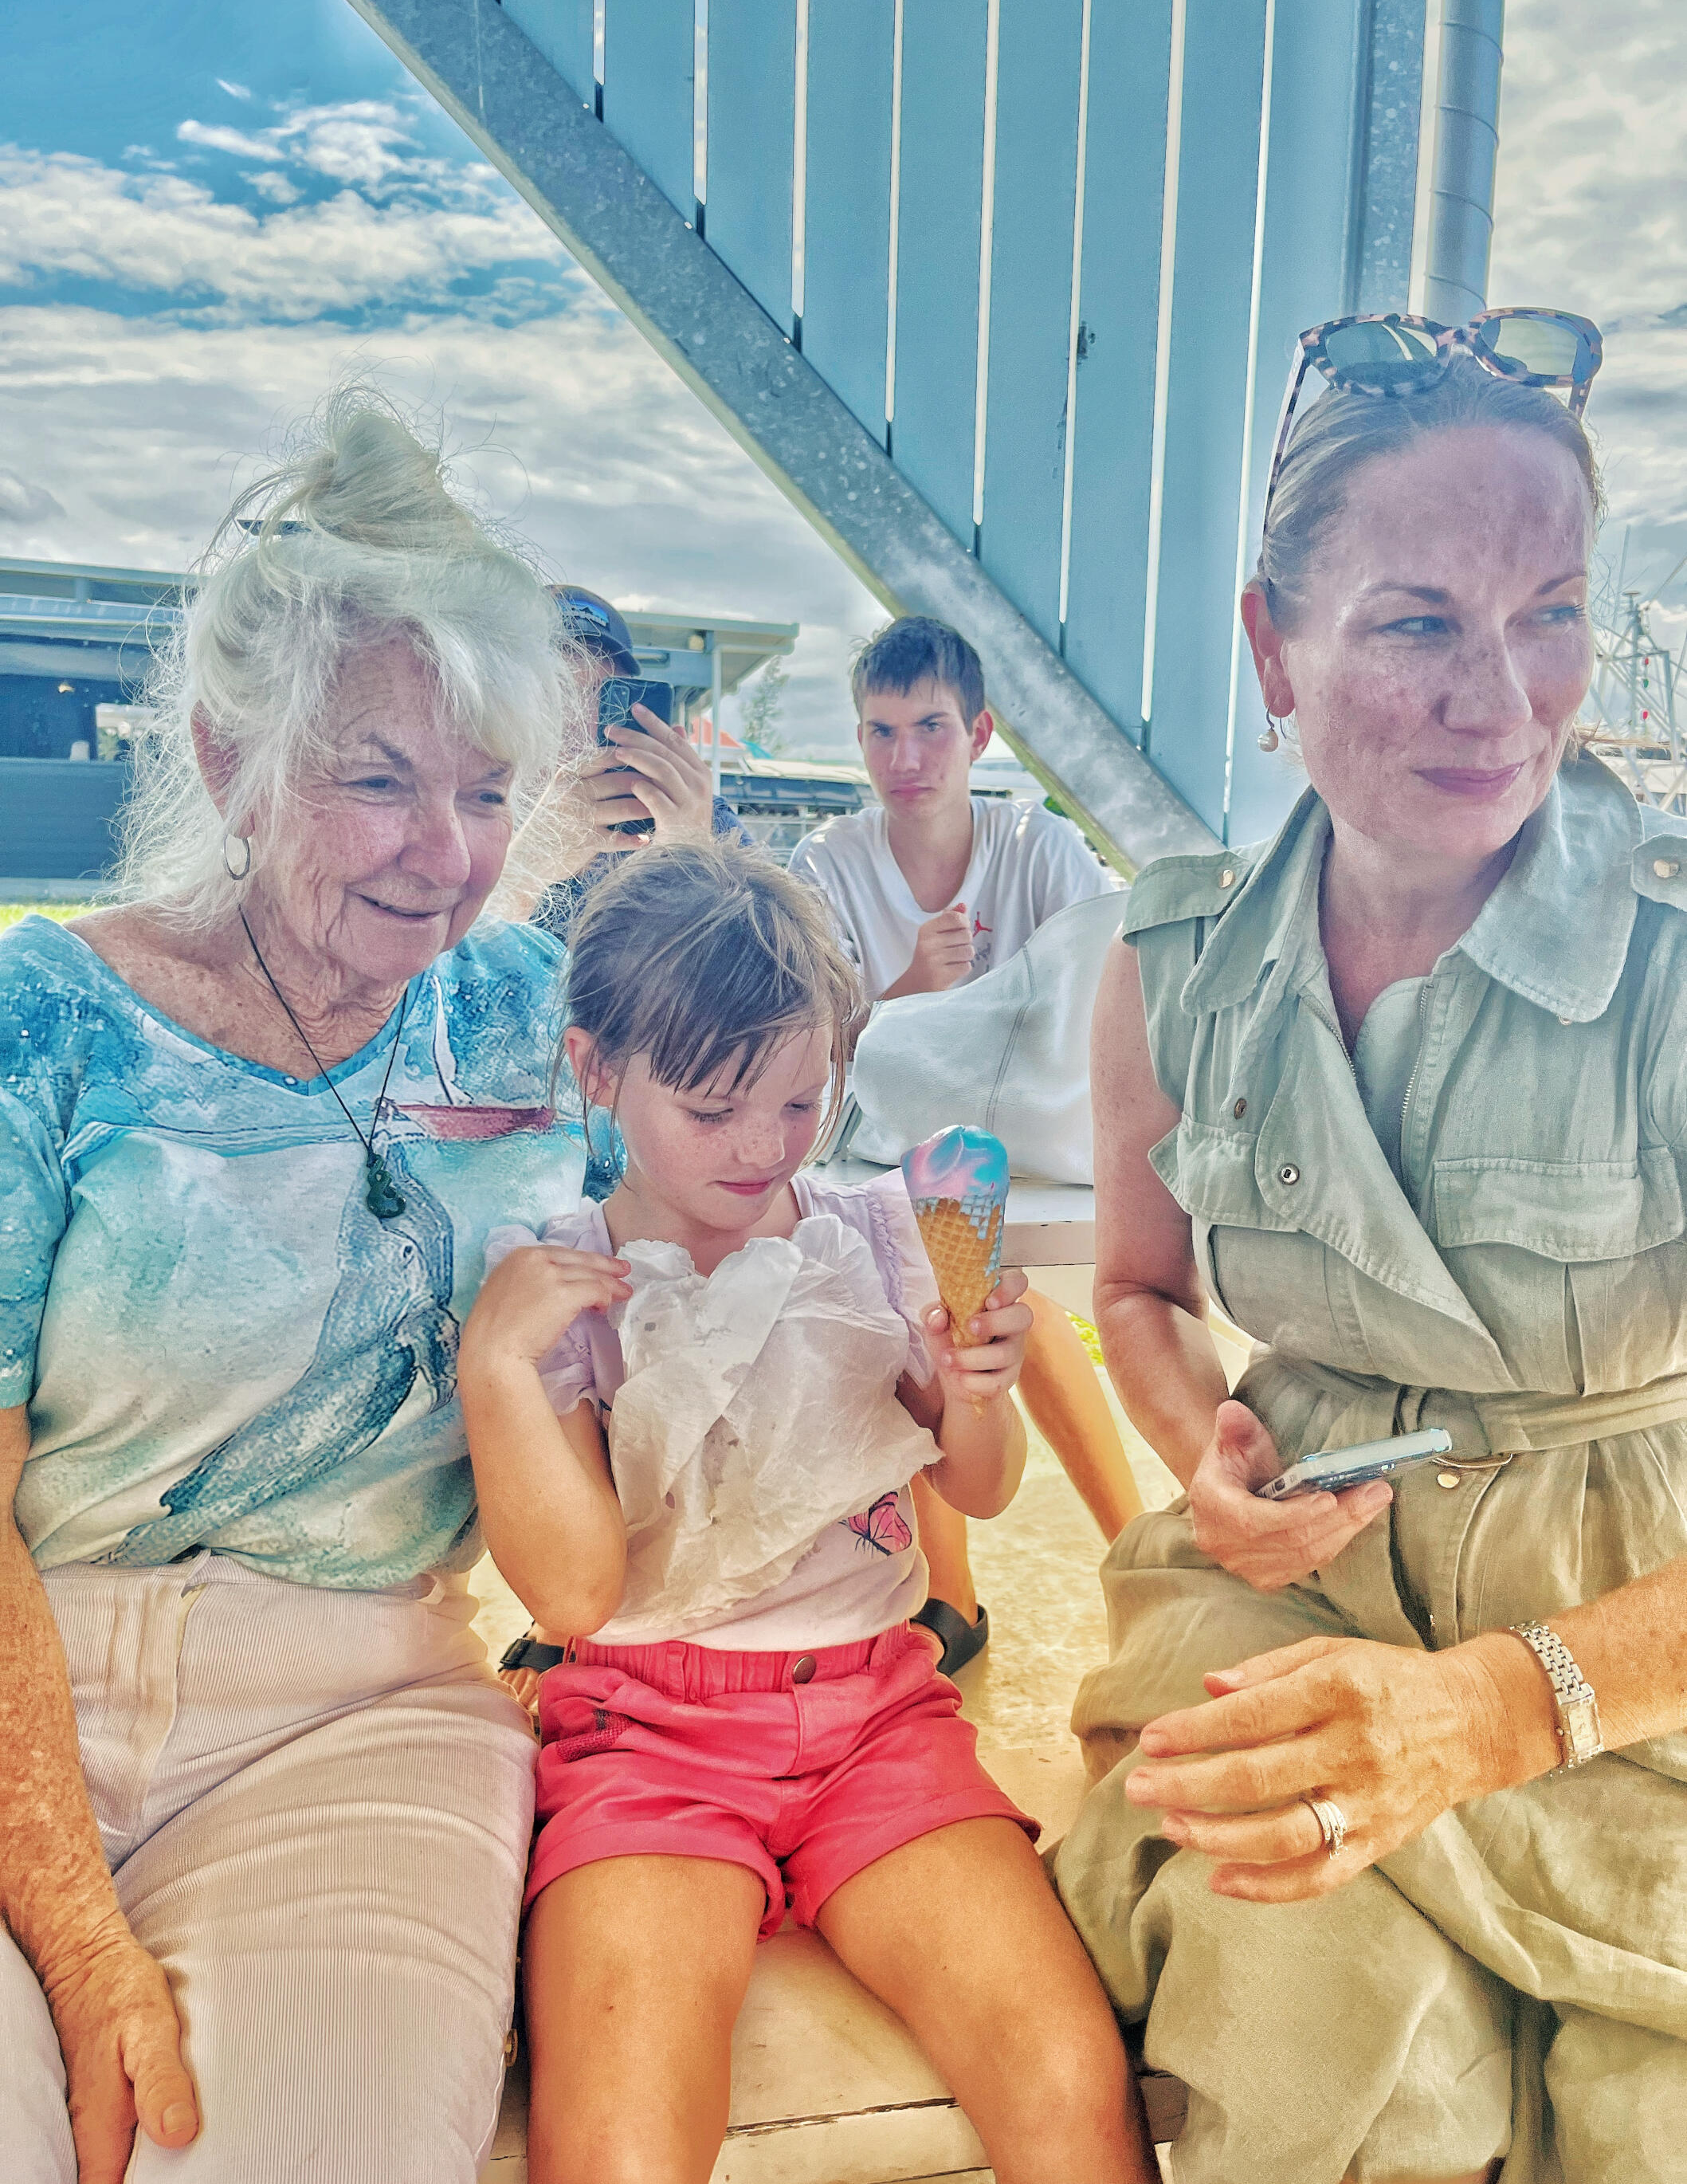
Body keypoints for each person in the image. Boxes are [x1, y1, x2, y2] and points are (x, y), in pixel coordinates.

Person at [1053, 327, 1687, 2180]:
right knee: (1299, 2055)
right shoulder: (1175, 967)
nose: (1499, 701)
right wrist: (1206, 1450)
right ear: (1271, 649)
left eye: (1546, 616)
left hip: (1634, 1680)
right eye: (1416, 622)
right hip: (1291, 1624)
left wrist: (1495, 1705)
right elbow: (1136, 1293)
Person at [0, 398, 594, 2182]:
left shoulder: (532, 1016)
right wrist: (72, 1924)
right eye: (380, 780)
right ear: (226, 753)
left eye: (486, 792)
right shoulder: (51, 1019)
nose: (448, 853)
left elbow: (758, 1183)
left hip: (362, 1712)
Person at [459, 841, 1148, 2184]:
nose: (763, 1148)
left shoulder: (881, 1232)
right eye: (712, 1108)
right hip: (643, 1738)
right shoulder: (562, 1281)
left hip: (879, 1717)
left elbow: (977, 1487)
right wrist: (498, 1372)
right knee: (615, 2144)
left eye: (798, 1099)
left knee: (1070, 2076)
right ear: (595, 1069)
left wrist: (975, 1390)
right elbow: (574, 1595)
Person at [790, 615, 1141, 1671]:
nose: (905, 756)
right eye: (881, 730)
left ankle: (1121, 1558)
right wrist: (907, 987)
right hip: (888, 1150)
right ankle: (960, 1587)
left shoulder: (1040, 847)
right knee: (934, 1298)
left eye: (930, 727)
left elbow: (1107, 997)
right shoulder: (827, 862)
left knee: (988, 1295)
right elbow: (806, 1038)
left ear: (978, 732)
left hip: (1030, 1150)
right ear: (859, 738)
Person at [532, 583, 751, 947]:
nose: (582, 718)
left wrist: (694, 859)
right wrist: (523, 872)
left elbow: (784, 967)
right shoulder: (470, 814)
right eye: (555, 691)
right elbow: (442, 971)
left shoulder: (695, 813)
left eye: (604, 694)